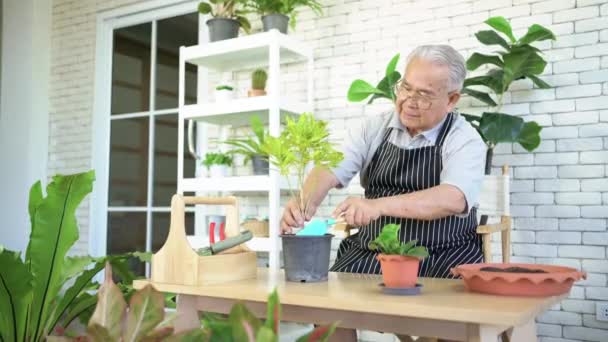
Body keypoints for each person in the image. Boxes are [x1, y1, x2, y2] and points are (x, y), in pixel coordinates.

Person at [280, 44, 487, 341]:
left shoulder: (464, 138)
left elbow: (452, 198)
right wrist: (304, 202)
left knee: (450, 321)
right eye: (405, 87)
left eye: (424, 94)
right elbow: (330, 167)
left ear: (452, 99)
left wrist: (377, 206)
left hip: (442, 253)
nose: (409, 101)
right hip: (372, 252)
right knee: (326, 307)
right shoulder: (374, 128)